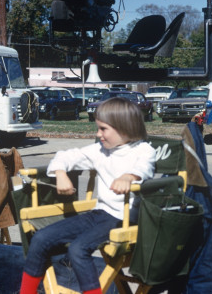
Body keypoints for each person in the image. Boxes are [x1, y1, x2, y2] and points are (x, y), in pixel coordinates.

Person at [20, 97, 156, 294]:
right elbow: (65, 156)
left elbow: (144, 168)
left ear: (124, 128)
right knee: (41, 238)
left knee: (78, 249)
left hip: (124, 218)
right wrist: (60, 174)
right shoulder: (100, 150)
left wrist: (128, 177)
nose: (98, 134)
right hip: (100, 213)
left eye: (103, 129)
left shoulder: (143, 150)